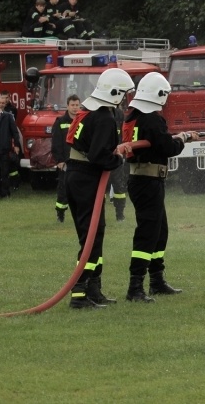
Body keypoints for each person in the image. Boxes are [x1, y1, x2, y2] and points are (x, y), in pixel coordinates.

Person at [121, 72, 197, 302]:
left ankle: (157, 280)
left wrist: (177, 137)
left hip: (142, 180)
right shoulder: (152, 119)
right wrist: (183, 138)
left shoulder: (133, 115)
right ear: (160, 94)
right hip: (148, 181)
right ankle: (135, 287)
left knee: (159, 231)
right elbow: (167, 148)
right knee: (148, 232)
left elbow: (155, 142)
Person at [65, 68, 135, 309]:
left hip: (76, 175)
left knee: (94, 234)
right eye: (123, 93)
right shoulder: (104, 117)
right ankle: (79, 293)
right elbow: (98, 156)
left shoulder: (90, 111)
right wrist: (118, 159)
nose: (124, 98)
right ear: (114, 92)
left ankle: (93, 289)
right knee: (91, 236)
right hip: (86, 177)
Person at [51, 94, 81, 222]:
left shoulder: (83, 120)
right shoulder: (60, 122)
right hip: (65, 161)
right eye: (72, 105)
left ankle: (79, 214)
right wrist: (59, 160)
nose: (75, 108)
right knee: (63, 188)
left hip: (80, 160)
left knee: (79, 188)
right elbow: (56, 142)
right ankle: (60, 214)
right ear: (67, 106)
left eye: (77, 105)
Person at [0, 95, 23, 199]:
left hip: (4, 148)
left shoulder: (8, 116)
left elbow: (14, 132)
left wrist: (16, 145)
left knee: (4, 172)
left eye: (3, 103)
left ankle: (5, 193)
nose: (1, 105)